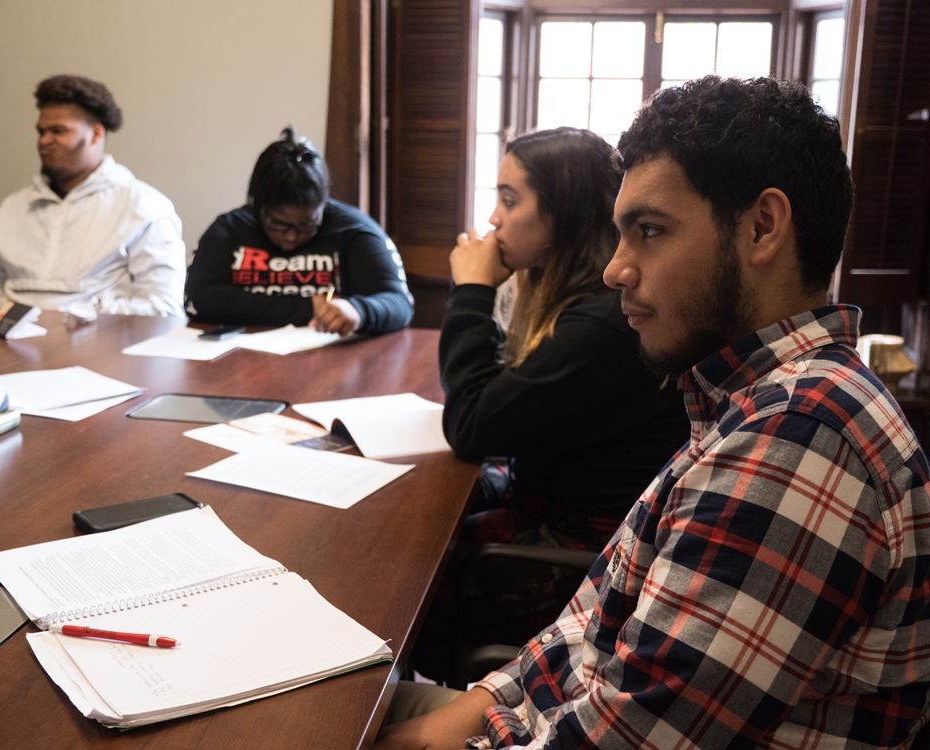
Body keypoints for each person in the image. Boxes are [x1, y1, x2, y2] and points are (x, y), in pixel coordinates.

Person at [376, 77, 930, 749]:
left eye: (649, 232)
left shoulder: (802, 437)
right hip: (545, 713)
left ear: (762, 228)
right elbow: (589, 627)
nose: (615, 270)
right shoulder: (751, 400)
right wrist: (453, 719)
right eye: (619, 235)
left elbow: (624, 740)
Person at [410, 128, 690, 683]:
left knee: (404, 571)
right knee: (417, 516)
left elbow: (471, 424)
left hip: (584, 561)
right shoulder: (577, 303)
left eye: (510, 200)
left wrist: (469, 291)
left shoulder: (602, 327)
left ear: (562, 214)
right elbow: (502, 396)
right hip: (557, 510)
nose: (492, 218)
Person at [0, 75, 185, 317]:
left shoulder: (144, 207)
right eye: (41, 132)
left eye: (58, 131)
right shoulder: (13, 208)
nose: (44, 141)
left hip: (99, 345)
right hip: (10, 343)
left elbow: (163, 306)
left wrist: (74, 318)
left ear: (96, 135)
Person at [184, 128, 413, 335]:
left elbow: (400, 305)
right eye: (279, 224)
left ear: (322, 206)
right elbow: (198, 298)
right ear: (259, 206)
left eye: (307, 225)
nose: (292, 237)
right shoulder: (229, 229)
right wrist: (310, 308)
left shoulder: (354, 229)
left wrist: (359, 310)